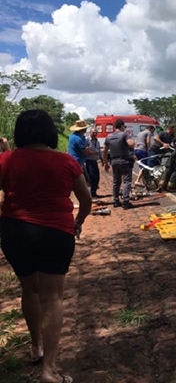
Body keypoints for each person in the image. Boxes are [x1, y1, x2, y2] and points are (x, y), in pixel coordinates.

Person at [0, 110, 92, 383]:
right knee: (53, 297)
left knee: (29, 289)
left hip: (15, 231)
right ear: (50, 132)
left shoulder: (6, 160)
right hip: (55, 232)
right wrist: (78, 222)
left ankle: (35, 346)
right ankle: (49, 370)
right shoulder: (65, 162)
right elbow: (85, 201)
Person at [102, 119, 135, 209]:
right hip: (124, 161)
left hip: (114, 162)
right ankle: (125, 201)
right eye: (124, 126)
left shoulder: (109, 137)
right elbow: (131, 144)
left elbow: (104, 151)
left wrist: (105, 163)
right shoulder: (124, 134)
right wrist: (134, 142)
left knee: (116, 182)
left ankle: (115, 200)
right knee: (126, 181)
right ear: (121, 126)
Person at [85, 129, 102, 197]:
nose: (94, 134)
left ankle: (94, 193)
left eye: (96, 133)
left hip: (95, 161)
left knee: (97, 177)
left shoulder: (97, 141)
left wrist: (102, 159)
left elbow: (99, 151)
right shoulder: (87, 140)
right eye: (93, 132)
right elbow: (85, 150)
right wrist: (94, 152)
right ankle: (90, 194)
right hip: (88, 161)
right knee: (91, 177)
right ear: (90, 133)